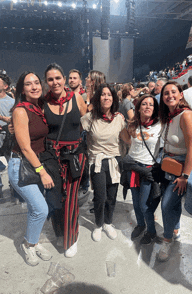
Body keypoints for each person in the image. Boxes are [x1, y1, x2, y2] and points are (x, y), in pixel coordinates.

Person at [8, 71, 54, 266]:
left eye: (37, 82)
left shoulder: (39, 106)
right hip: (22, 165)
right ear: (22, 89)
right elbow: (25, 147)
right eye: (29, 84)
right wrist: (42, 172)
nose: (34, 87)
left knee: (35, 209)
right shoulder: (20, 110)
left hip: (34, 162)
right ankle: (28, 244)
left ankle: (33, 242)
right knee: (41, 209)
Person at [44, 63, 87, 258]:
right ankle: (60, 231)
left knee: (70, 199)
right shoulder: (42, 103)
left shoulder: (76, 98)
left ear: (64, 79)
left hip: (74, 156)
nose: (55, 82)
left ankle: (72, 238)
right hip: (52, 157)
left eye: (58, 78)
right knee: (55, 197)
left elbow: (87, 123)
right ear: (47, 82)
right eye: (51, 79)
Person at [158, 81, 192, 262]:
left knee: (167, 204)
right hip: (170, 164)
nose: (170, 95)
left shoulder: (186, 115)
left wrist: (185, 176)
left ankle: (167, 239)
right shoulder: (169, 115)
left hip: (184, 166)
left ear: (181, 94)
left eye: (173, 92)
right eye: (166, 93)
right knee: (173, 202)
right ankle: (174, 228)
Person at [81, 83, 130, 242]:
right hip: (97, 161)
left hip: (114, 161)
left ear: (113, 98)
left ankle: (108, 223)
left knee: (112, 196)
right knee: (100, 196)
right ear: (98, 97)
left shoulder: (119, 118)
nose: (106, 97)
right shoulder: (89, 118)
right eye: (103, 94)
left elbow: (127, 140)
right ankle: (98, 224)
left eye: (109, 94)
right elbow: (74, 133)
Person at [126, 94, 162, 244]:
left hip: (148, 170)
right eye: (144, 104)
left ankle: (151, 231)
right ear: (139, 107)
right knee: (135, 201)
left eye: (151, 104)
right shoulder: (132, 124)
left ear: (155, 109)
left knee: (143, 204)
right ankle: (141, 225)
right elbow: (126, 141)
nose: (148, 107)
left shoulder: (160, 125)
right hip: (133, 167)